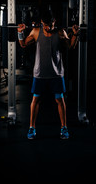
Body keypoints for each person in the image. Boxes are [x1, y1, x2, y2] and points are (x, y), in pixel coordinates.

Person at [17, 9, 79, 139]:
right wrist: (20, 32)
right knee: (35, 100)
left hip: (56, 74)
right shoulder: (36, 32)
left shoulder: (60, 32)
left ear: (54, 22)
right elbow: (23, 44)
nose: (47, 27)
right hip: (39, 74)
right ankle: (31, 128)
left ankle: (64, 128)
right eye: (45, 24)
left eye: (50, 24)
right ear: (41, 23)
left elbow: (71, 46)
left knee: (60, 100)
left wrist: (75, 35)